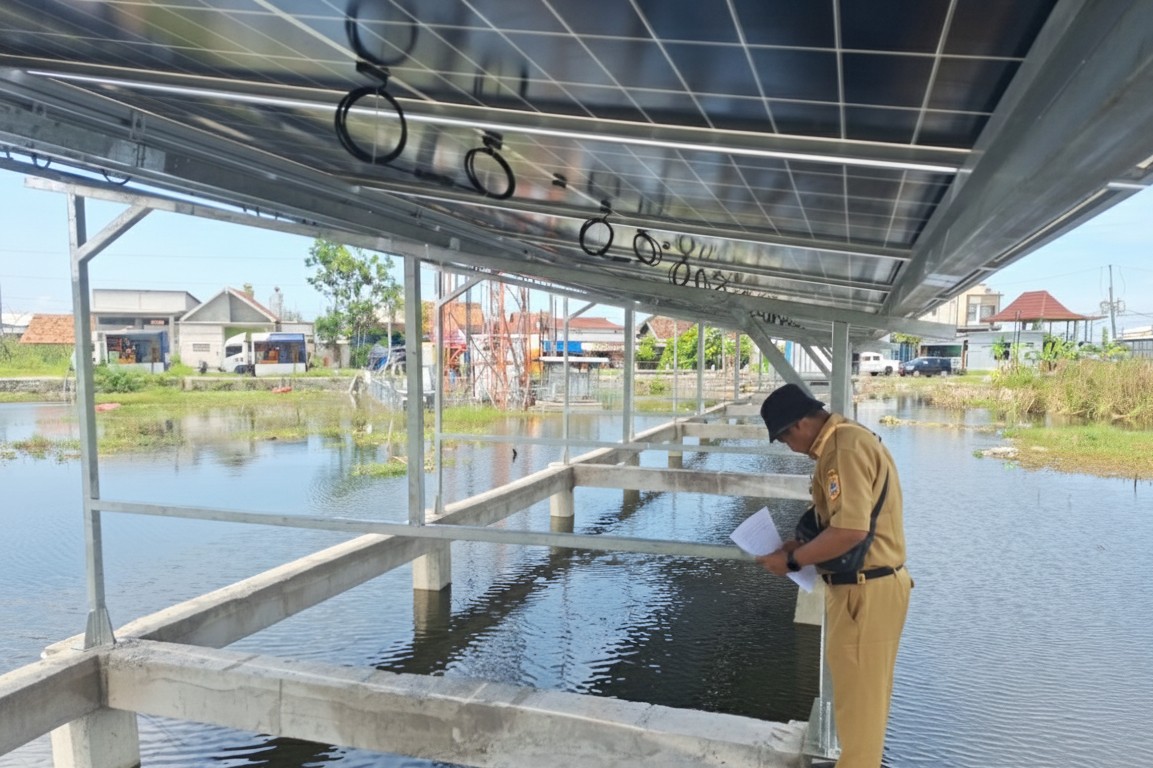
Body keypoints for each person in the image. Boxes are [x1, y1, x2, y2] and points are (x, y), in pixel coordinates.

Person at [757, 383, 912, 768]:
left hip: (866, 591)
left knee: (860, 723)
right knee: (859, 712)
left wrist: (793, 562)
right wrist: (799, 545)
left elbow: (850, 532)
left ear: (800, 424)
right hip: (866, 589)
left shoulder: (843, 449)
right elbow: (838, 522)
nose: (789, 448)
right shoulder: (844, 443)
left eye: (784, 438)